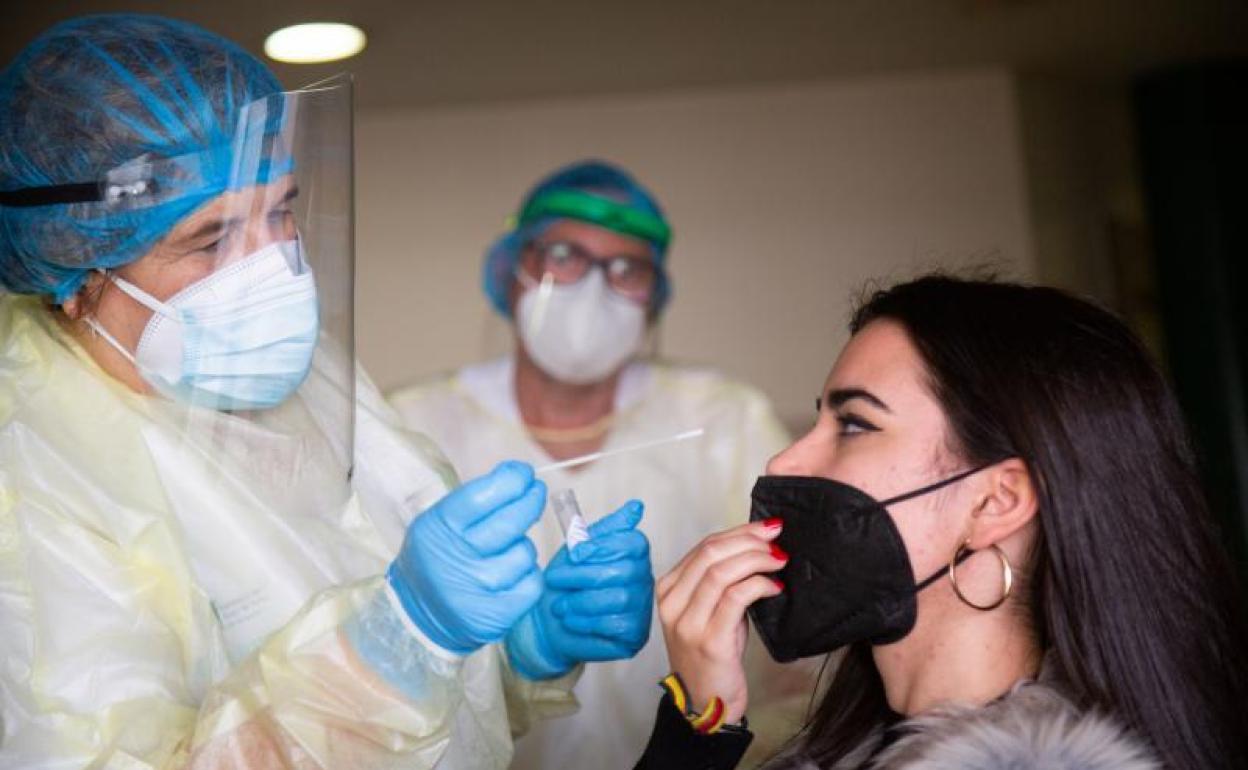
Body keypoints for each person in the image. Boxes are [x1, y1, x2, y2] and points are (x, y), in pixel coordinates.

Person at [0, 15, 653, 769]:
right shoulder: (32, 480)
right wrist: (398, 642)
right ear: (76, 276)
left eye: (281, 211)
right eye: (210, 240)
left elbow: (438, 713)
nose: (275, 265)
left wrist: (524, 648)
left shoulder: (308, 378)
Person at [635, 275, 1248, 769]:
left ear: (994, 503)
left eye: (854, 424)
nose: (785, 461)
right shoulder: (853, 739)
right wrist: (701, 721)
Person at [389, 161, 805, 768]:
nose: (591, 288)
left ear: (653, 296)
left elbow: (799, 642)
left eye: (626, 268)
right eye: (562, 255)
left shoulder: (721, 417)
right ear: (510, 274)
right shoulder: (418, 424)